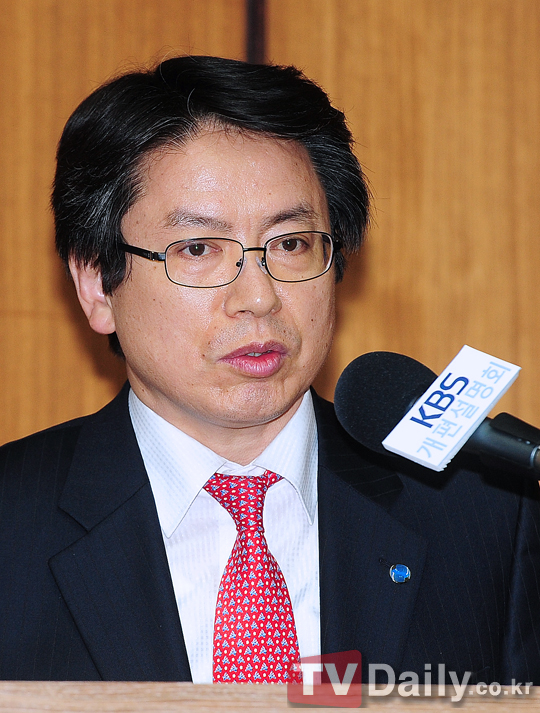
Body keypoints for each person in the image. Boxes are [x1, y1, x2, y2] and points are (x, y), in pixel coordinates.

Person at [1, 55, 539, 686]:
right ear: (97, 284)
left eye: (290, 244)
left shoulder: (483, 514)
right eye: (198, 248)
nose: (258, 297)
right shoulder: (12, 523)